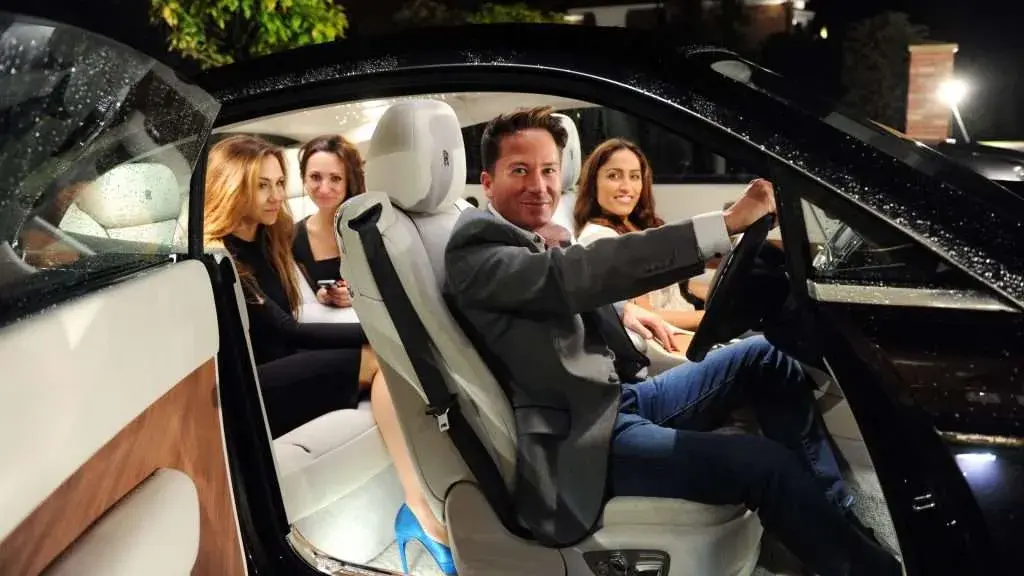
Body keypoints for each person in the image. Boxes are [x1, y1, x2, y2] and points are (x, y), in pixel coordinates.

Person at [442, 107, 900, 576]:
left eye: (549, 170)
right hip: (583, 440)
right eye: (520, 170)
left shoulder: (534, 236)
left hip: (618, 399)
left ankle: (838, 521)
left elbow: (556, 288)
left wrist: (624, 310)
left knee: (765, 357)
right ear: (488, 182)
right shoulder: (476, 248)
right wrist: (724, 223)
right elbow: (574, 275)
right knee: (765, 463)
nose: (539, 185)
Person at [204, 135, 455, 574]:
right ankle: (420, 507)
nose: (277, 195)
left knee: (389, 365)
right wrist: (379, 332)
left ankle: (425, 502)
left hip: (286, 366)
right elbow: (288, 331)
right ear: (233, 187)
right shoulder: (222, 257)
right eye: (262, 185)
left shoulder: (269, 241)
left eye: (279, 183)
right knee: (379, 359)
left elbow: (292, 325)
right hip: (252, 387)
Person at [572, 138, 710, 350]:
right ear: (593, 183)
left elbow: (676, 287)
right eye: (614, 176)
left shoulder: (636, 225)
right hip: (674, 342)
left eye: (635, 177)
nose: (627, 187)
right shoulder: (602, 240)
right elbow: (648, 315)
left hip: (689, 325)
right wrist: (709, 317)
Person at [292, 134, 363, 309]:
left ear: (349, 181)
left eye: (336, 178)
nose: (324, 189)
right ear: (304, 179)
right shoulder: (292, 237)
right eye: (315, 177)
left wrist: (359, 295)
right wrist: (318, 296)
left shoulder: (372, 227)